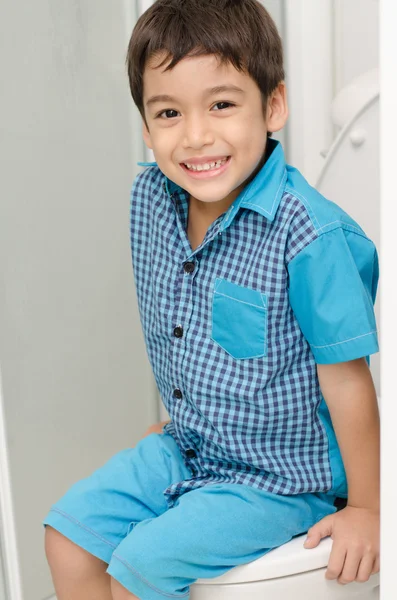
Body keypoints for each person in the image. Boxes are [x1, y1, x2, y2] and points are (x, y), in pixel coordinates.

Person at [43, 1, 380, 599]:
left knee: (138, 567)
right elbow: (188, 330)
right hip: (194, 446)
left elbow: (347, 381)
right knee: (67, 538)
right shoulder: (151, 203)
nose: (196, 135)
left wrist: (369, 508)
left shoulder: (308, 237)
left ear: (273, 105)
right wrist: (184, 420)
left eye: (222, 104)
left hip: (283, 477)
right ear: (146, 129)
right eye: (169, 112)